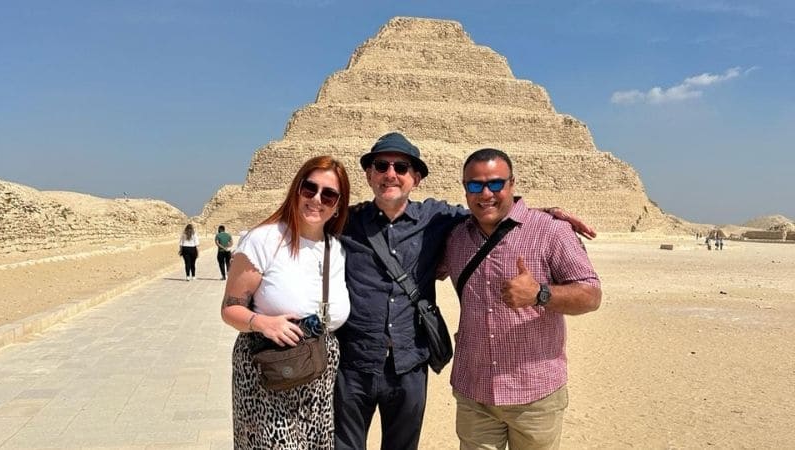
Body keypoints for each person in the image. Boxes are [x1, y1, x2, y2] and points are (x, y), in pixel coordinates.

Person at [334, 133, 596, 450]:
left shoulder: (442, 222)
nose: (391, 173)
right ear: (369, 173)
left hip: (514, 388)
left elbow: (590, 292)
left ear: (415, 178)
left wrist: (541, 286)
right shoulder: (345, 221)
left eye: (401, 167)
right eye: (382, 165)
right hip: (366, 367)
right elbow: (300, 217)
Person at [437, 148, 602, 450]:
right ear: (464, 189)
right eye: (475, 185)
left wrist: (540, 293)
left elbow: (591, 295)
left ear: (512, 183)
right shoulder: (455, 237)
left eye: (496, 184)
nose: (486, 193)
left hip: (535, 395)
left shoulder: (550, 231)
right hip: (475, 392)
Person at [220, 155, 352, 449]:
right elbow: (230, 309)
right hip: (270, 372)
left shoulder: (337, 250)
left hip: (319, 375)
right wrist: (262, 322)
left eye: (328, 194)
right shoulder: (263, 240)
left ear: (338, 205)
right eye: (310, 188)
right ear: (296, 189)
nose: (317, 199)